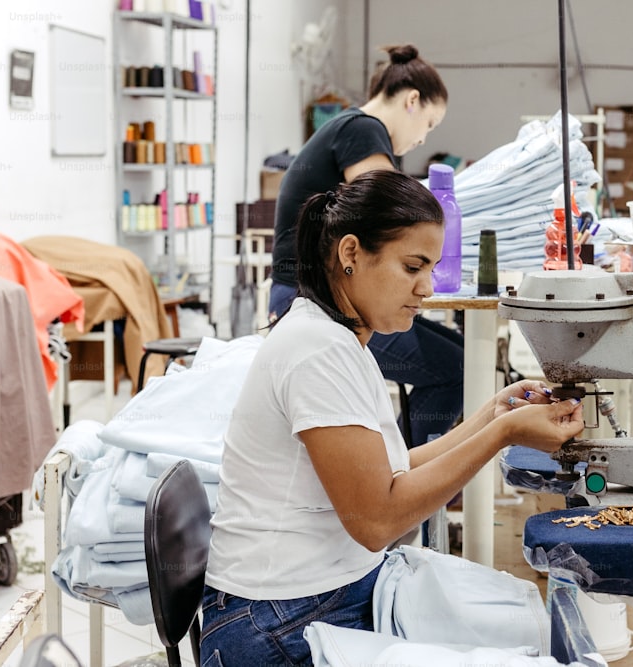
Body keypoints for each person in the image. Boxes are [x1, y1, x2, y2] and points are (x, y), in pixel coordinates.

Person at [202, 171, 584, 667]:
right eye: (412, 267)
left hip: (316, 596)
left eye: (431, 268)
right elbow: (378, 520)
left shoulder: (338, 338)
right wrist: (502, 434)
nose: (427, 288)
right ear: (351, 254)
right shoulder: (316, 351)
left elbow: (392, 468)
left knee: (526, 626)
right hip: (274, 623)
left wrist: (493, 413)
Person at [270, 43, 460, 448]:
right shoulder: (362, 129)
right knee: (457, 370)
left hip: (315, 293)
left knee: (463, 358)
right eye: (429, 123)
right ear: (412, 100)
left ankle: (407, 472)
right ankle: (407, 483)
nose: (424, 138)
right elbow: (390, 214)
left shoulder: (353, 129)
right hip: (309, 298)